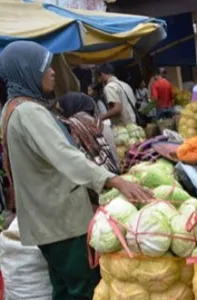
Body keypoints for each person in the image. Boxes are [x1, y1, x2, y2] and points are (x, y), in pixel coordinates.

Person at [0, 41, 152, 299]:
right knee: (82, 288)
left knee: (62, 286)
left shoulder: (11, 108)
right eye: (45, 67)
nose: (52, 72)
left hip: (44, 220)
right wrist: (113, 180)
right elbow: (66, 156)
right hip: (61, 221)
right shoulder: (29, 112)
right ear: (26, 70)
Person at [58, 92, 120, 173]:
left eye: (62, 108)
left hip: (98, 178)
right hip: (114, 172)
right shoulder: (100, 124)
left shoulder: (73, 129)